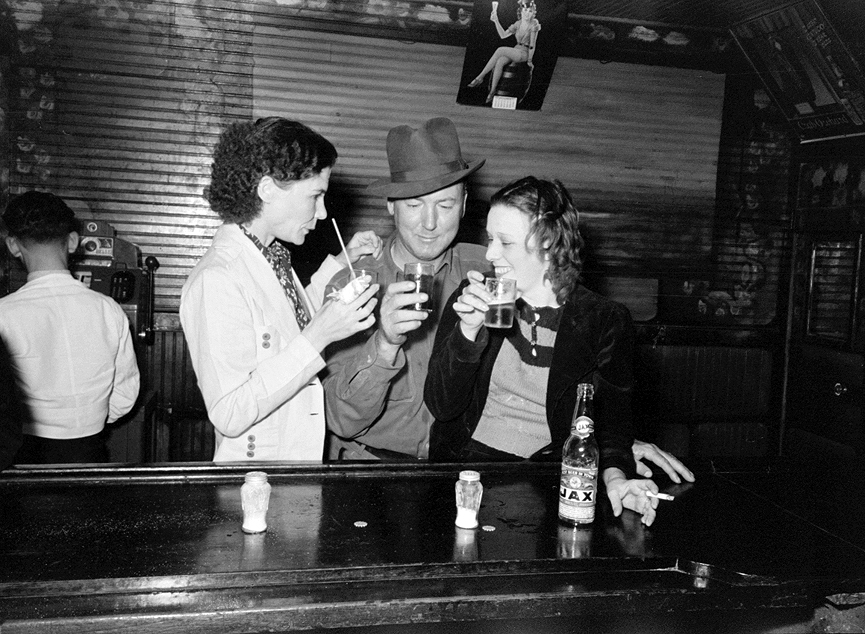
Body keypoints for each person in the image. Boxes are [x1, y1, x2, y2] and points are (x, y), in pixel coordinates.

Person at [323, 117, 695, 487]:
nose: (430, 223)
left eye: (445, 205)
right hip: (375, 471)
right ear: (391, 206)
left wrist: (611, 451)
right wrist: (385, 343)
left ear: (464, 204)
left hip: (472, 472)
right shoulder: (353, 285)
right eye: (415, 206)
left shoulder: (488, 270)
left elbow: (572, 373)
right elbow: (341, 420)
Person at [424, 177, 659, 525]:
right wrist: (468, 332)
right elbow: (442, 406)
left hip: (548, 481)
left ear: (548, 243)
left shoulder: (604, 320)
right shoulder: (474, 296)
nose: (490, 254)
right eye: (490, 239)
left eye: (505, 242)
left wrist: (616, 479)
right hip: (467, 472)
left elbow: (611, 425)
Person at [180, 117, 382, 463]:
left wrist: (342, 260)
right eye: (315, 196)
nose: (322, 213)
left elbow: (287, 322)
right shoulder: (217, 278)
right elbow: (229, 412)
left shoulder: (269, 256)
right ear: (268, 189)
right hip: (256, 475)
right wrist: (319, 336)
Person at [0, 191, 140, 464]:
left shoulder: (4, 313)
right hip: (91, 450)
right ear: (74, 241)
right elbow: (125, 393)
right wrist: (88, 420)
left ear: (13, 246)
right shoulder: (108, 309)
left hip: (22, 455)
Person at [467, 0, 540, 103]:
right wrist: (496, 20)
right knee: (500, 61)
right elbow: (503, 35)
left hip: (524, 53)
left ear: (533, 13)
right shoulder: (518, 23)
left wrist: (529, 60)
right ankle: (492, 92)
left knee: (500, 50)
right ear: (521, 11)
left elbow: (532, 45)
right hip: (516, 50)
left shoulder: (534, 23)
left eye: (530, 11)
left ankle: (480, 77)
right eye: (525, 10)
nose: (528, 13)